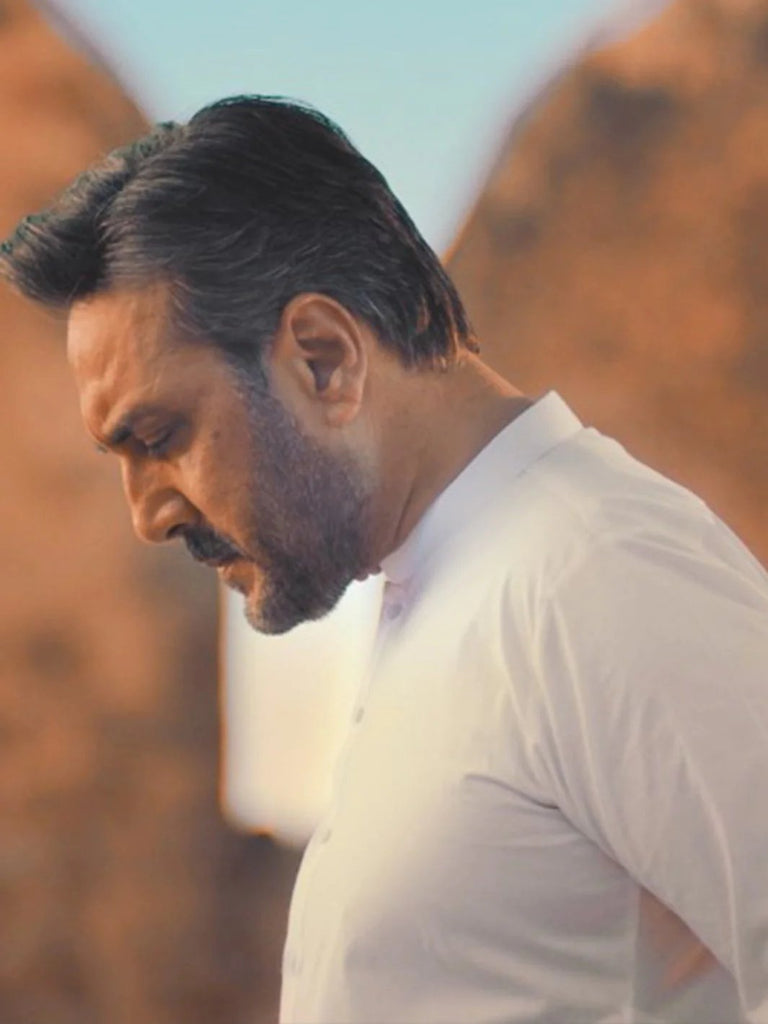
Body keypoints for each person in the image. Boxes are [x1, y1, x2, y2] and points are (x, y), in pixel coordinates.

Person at [2, 94, 767, 1024]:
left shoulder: (604, 578)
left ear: (323, 358)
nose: (147, 516)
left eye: (161, 437)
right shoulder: (465, 582)